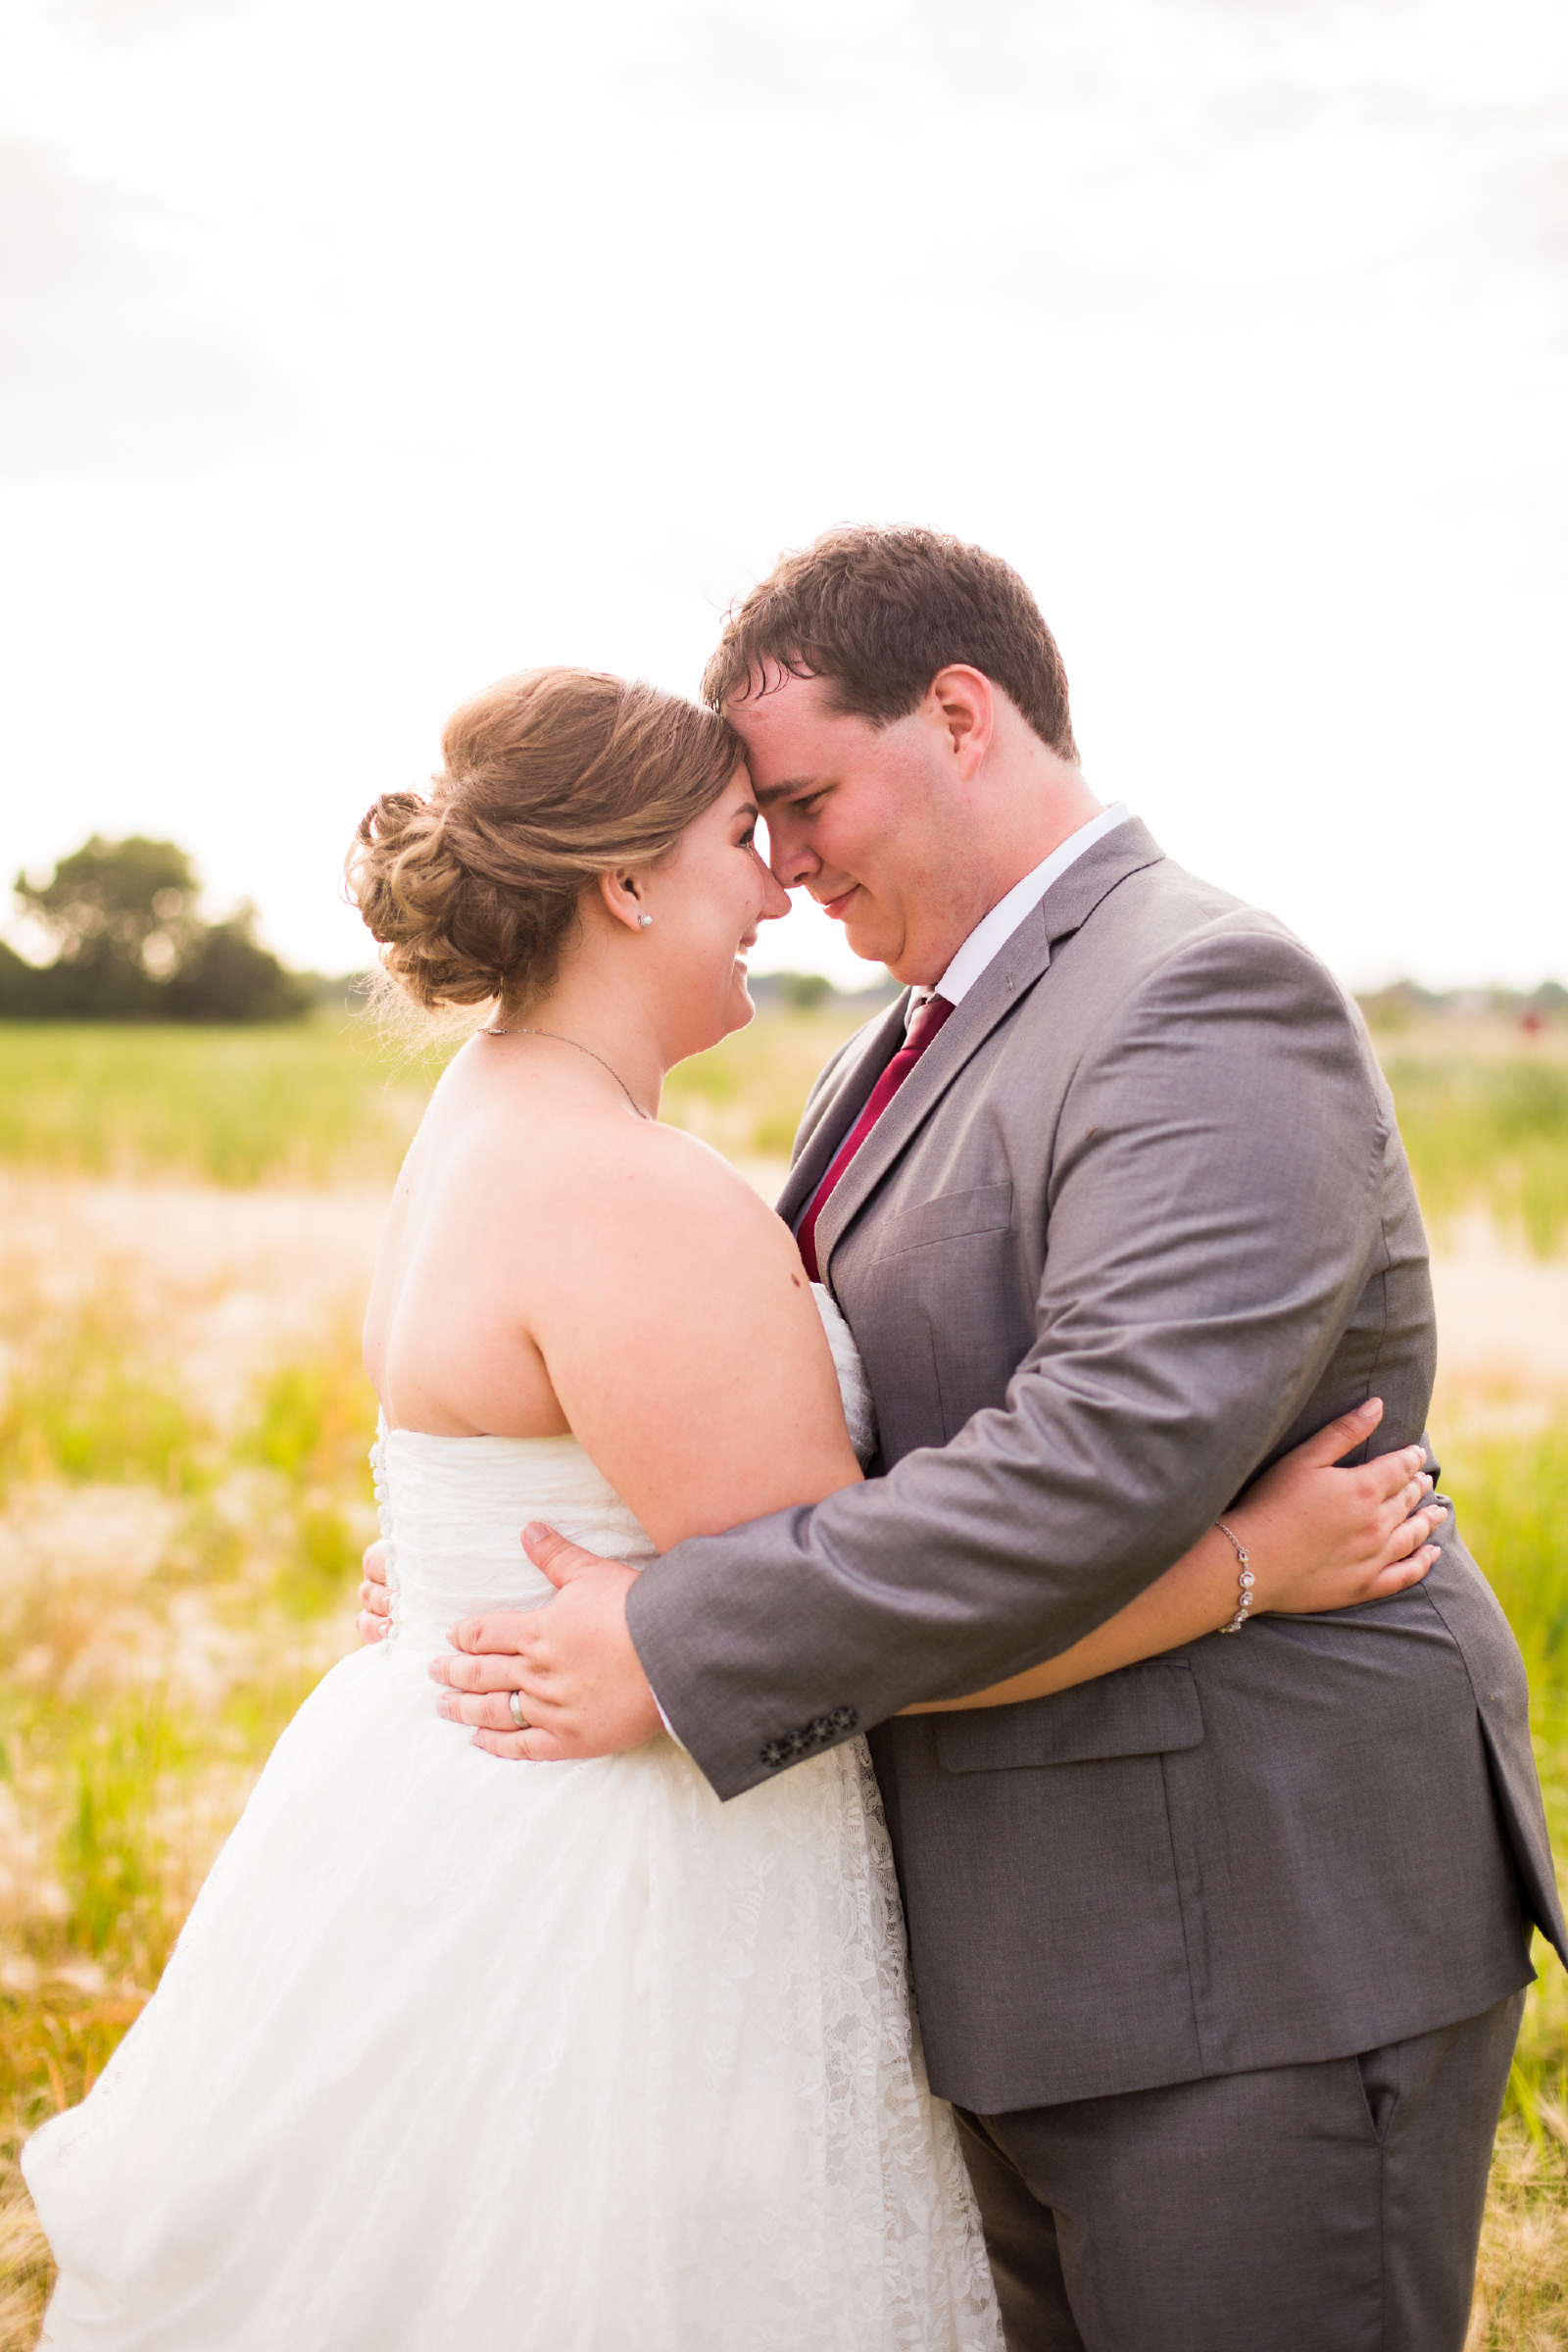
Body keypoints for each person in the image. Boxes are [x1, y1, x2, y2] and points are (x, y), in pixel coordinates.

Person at [24, 665, 1439, 2352]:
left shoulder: (480, 1123)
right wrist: (1250, 1565)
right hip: (626, 1893)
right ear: (623, 886)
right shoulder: (630, 1187)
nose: (775, 880)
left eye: (789, 821)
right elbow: (865, 1624)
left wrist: (472, 1572)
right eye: (735, 838)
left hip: (443, 1829)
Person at [405, 533, 1567, 2352]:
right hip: (1009, 1954)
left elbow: (1099, 1458)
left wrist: (668, 1633)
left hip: (1243, 1939)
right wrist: (518, 1559)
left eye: (800, 799)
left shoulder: (1200, 991)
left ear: (959, 715)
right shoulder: (881, 1047)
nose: (781, 864)